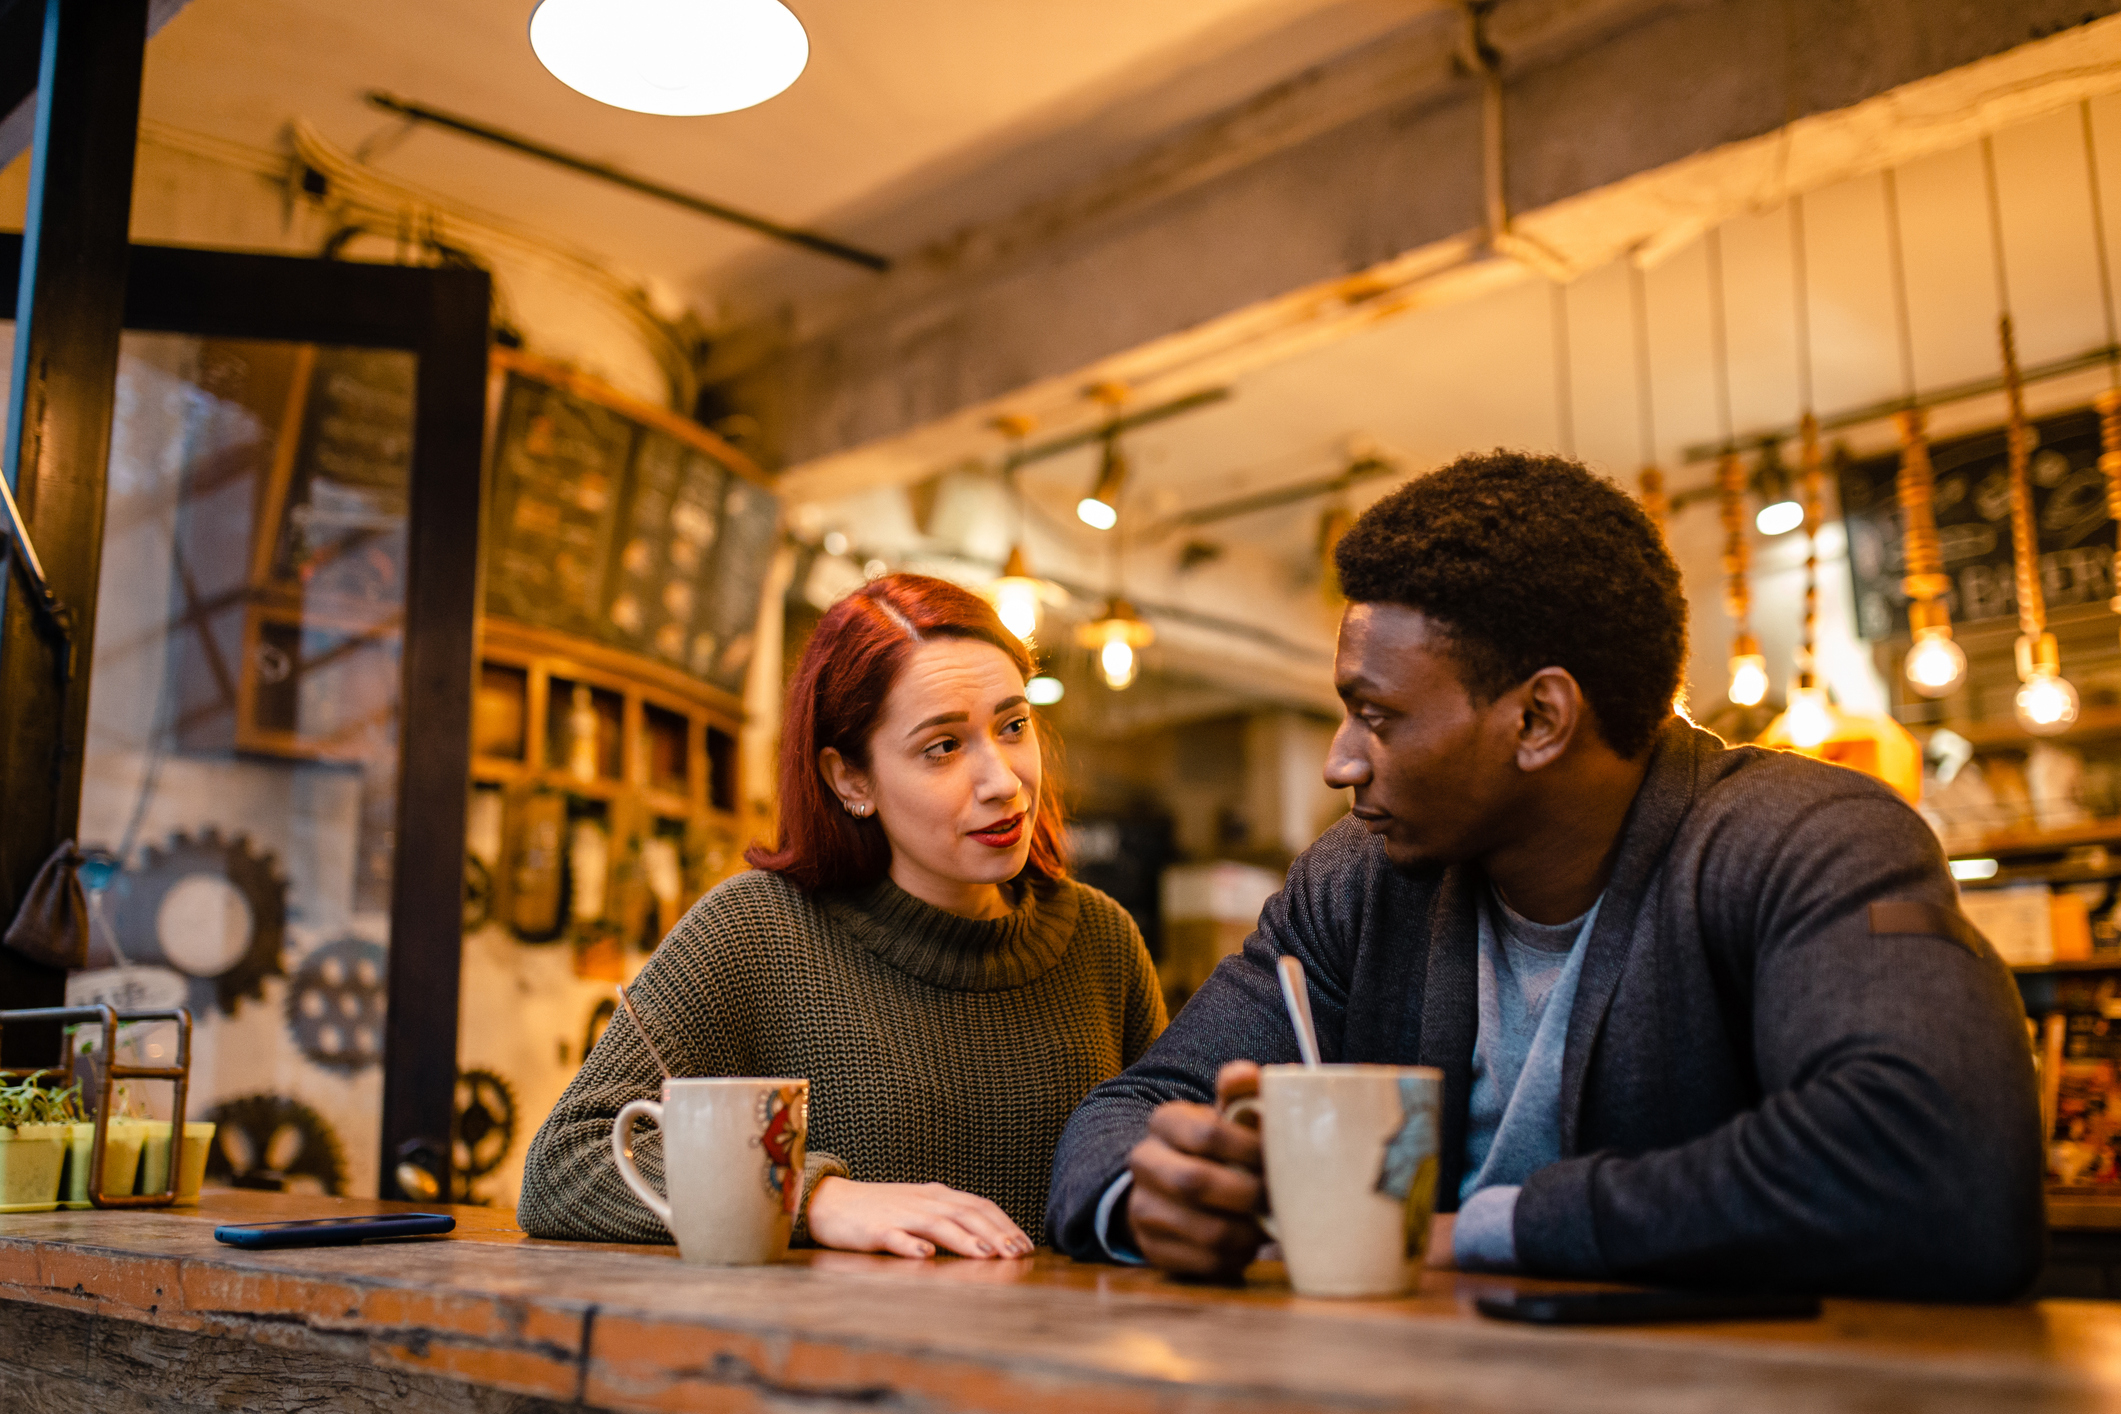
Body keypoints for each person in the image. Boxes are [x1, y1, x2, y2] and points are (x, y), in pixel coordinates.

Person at [1046, 451, 2044, 1299]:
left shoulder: (1807, 840)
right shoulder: (1362, 876)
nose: (1340, 761)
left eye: (1378, 715)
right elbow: (1117, 1117)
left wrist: (1492, 1227)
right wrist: (1159, 1192)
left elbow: (1939, 1165)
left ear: (1539, 719)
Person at [520, 573, 1166, 1258]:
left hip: (1063, 1357)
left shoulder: (1102, 940)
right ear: (850, 780)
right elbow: (565, 1164)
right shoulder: (756, 929)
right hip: (835, 1355)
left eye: (1013, 726)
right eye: (942, 747)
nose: (1002, 781)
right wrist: (813, 1196)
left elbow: (1161, 1158)